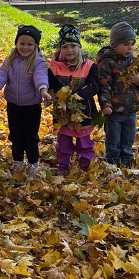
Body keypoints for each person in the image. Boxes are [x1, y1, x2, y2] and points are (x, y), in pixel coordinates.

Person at [0, 25, 49, 177]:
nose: (25, 47)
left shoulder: (37, 62)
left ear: (35, 46)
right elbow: (1, 76)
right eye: (22, 43)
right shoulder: (11, 60)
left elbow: (40, 76)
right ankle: (17, 160)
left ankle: (33, 162)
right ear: (16, 43)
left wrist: (43, 90)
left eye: (29, 44)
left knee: (30, 136)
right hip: (13, 105)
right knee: (15, 135)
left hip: (32, 106)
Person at [97, 21, 139, 167]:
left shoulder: (134, 61)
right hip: (114, 111)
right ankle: (112, 163)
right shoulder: (107, 63)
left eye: (132, 44)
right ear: (115, 45)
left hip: (131, 110)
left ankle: (125, 161)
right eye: (126, 44)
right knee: (113, 140)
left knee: (128, 138)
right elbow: (104, 85)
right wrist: (106, 105)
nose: (130, 48)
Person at [48, 25, 99, 174]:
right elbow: (51, 86)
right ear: (60, 49)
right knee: (63, 142)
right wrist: (57, 95)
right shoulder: (53, 68)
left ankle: (85, 167)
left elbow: (94, 86)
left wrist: (79, 95)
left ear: (79, 47)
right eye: (65, 47)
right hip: (63, 113)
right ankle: (63, 167)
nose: (69, 50)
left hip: (84, 112)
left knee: (84, 143)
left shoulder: (89, 66)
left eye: (73, 46)